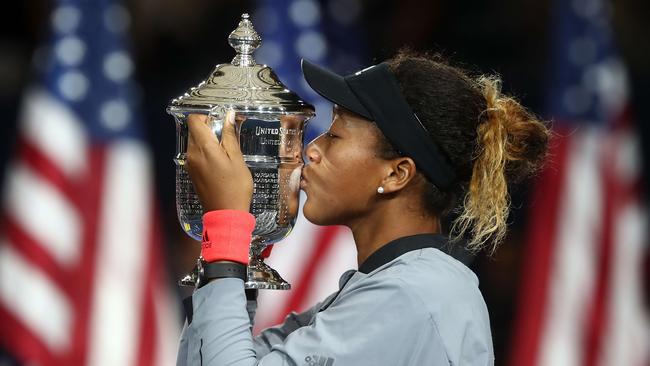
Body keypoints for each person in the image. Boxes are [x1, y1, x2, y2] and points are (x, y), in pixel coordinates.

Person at [176, 50, 550, 366]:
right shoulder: (388, 288)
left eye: (335, 135)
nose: (312, 149)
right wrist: (246, 249)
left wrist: (227, 231)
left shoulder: (413, 296)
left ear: (397, 173)